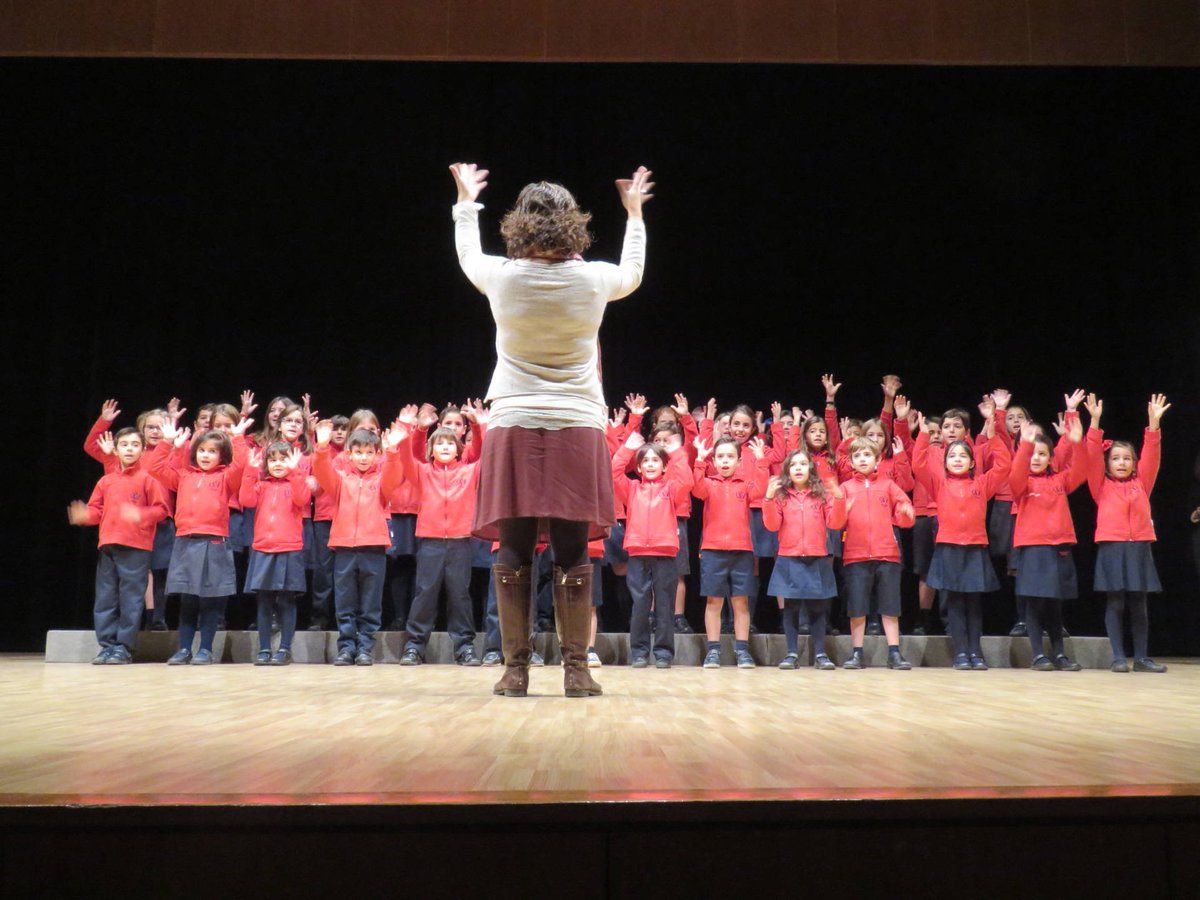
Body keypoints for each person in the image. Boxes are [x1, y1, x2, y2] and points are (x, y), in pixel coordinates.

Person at [449, 160, 651, 698]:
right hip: (576, 424)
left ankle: (515, 672)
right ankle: (576, 672)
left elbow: (468, 253)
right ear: (573, 226)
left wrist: (467, 202)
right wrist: (633, 214)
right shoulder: (593, 278)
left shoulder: (502, 276)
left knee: (513, 549)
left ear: (519, 224)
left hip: (513, 423)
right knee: (571, 552)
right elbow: (633, 272)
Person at [913, 404, 1012, 671]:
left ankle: (975, 651)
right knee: (955, 603)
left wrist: (993, 438)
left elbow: (1003, 466)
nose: (957, 459)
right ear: (945, 462)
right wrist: (922, 436)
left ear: (972, 463)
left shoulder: (981, 484)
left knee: (974, 604)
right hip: (949, 548)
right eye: (952, 456)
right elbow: (918, 464)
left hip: (975, 549)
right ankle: (960, 653)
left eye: (962, 456)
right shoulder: (939, 484)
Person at [150, 416, 253, 664]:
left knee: (210, 601)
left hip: (214, 543)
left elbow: (241, 465)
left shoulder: (226, 477)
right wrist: (166, 442)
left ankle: (205, 649)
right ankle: (184, 649)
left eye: (212, 452)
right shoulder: (184, 475)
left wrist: (237, 438)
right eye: (202, 451)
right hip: (186, 542)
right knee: (188, 601)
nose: (205, 456)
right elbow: (155, 468)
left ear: (221, 456)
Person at [391, 404, 486, 666]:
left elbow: (488, 455)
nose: (445, 447)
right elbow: (408, 455)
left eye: (450, 444)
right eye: (440, 443)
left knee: (460, 595)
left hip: (460, 543)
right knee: (425, 593)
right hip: (430, 542)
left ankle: (465, 647)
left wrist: (478, 426)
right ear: (431, 449)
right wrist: (418, 429)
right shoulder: (422, 472)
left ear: (459, 449)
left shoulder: (469, 472)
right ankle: (414, 646)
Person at [67, 427, 170, 663]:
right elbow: (96, 510)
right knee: (105, 597)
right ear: (116, 449)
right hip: (108, 545)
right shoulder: (106, 481)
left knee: (131, 598)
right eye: (124, 444)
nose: (130, 449)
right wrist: (85, 516)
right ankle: (107, 644)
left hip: (136, 546)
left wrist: (139, 514)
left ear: (143, 450)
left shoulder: (148, 478)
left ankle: (124, 646)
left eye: (135, 445)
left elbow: (162, 510)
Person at [1084, 392, 1170, 673]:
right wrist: (1095, 422)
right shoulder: (1100, 485)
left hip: (1139, 546)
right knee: (1116, 601)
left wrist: (1153, 425)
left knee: (1139, 603)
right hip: (1112, 547)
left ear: (1134, 463)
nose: (1121, 463)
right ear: (1107, 463)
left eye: (1127, 459)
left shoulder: (1142, 482)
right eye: (1116, 458)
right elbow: (1090, 455)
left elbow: (1152, 454)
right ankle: (1118, 657)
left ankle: (1142, 658)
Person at [312, 419, 405, 666]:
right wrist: (322, 445)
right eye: (358, 452)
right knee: (345, 602)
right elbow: (322, 471)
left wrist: (393, 451)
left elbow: (395, 476)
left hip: (373, 548)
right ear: (349, 455)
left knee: (370, 603)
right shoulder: (341, 480)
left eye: (369, 453)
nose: (364, 458)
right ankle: (346, 647)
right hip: (344, 548)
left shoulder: (381, 482)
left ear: (377, 455)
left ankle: (365, 647)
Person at [1008, 414, 1086, 671]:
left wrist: (1077, 443)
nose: (1036, 458)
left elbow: (1081, 471)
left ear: (1051, 458)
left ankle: (1060, 654)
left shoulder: (1059, 481)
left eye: (1042, 454)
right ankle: (1038, 655)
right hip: (1033, 549)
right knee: (1034, 602)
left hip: (1058, 549)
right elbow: (1016, 473)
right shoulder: (1022, 484)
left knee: (1055, 603)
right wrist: (1026, 446)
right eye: (1033, 454)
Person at [611, 431, 694, 668]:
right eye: (645, 461)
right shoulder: (632, 488)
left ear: (664, 466)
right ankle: (638, 651)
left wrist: (677, 451)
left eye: (655, 460)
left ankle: (664, 653)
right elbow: (613, 472)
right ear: (638, 467)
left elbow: (687, 481)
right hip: (637, 553)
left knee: (665, 604)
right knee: (640, 604)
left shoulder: (670, 489)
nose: (650, 464)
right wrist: (627, 448)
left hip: (665, 553)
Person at [762, 448, 846, 670]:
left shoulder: (821, 495)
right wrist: (768, 498)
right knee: (790, 608)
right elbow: (771, 525)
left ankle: (820, 654)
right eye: (793, 464)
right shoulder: (781, 496)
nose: (798, 468)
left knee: (818, 609)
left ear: (810, 468)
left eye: (802, 463)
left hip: (816, 557)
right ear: (787, 470)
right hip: (789, 557)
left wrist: (838, 499)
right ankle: (791, 653)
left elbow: (835, 523)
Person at [692, 435, 770, 668]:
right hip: (712, 551)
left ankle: (742, 650)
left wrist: (761, 461)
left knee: (741, 603)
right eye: (720, 457)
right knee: (714, 602)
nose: (725, 461)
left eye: (730, 457)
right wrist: (699, 460)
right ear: (714, 461)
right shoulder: (709, 483)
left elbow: (760, 491)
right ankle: (713, 650)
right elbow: (696, 489)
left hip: (741, 550)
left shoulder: (745, 486)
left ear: (738, 461)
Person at [839, 436, 915, 669]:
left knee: (890, 606)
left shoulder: (888, 485)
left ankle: (894, 653)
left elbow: (906, 517)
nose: (863, 459)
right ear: (850, 462)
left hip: (887, 554)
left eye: (867, 455)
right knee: (857, 608)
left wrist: (905, 513)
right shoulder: (845, 488)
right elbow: (835, 522)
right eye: (857, 456)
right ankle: (857, 653)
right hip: (856, 555)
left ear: (878, 459)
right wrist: (843, 510)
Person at [239, 443, 312, 665]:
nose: (278, 463)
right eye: (273, 460)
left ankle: (284, 649)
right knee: (264, 601)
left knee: (287, 600)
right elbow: (245, 500)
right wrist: (250, 471)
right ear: (266, 464)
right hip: (263, 548)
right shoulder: (261, 486)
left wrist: (296, 472)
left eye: (283, 459)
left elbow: (303, 499)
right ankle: (263, 649)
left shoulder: (296, 483)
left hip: (289, 548)